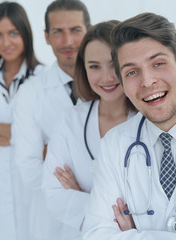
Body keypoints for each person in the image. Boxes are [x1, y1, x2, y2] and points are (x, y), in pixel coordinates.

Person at [82, 12, 176, 240]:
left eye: (158, 63)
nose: (147, 81)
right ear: (123, 84)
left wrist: (137, 235)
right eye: (132, 72)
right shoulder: (114, 145)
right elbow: (95, 234)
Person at [42, 20, 136, 239]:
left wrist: (80, 195)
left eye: (114, 63)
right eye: (94, 66)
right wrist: (117, 213)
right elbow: (53, 195)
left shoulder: (148, 121)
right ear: (83, 70)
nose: (107, 76)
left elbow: (155, 204)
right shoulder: (69, 122)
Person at [13, 0, 91, 239]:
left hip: (109, 224)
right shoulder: (30, 93)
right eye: (58, 32)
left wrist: (57, 157)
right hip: (54, 226)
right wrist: (89, 187)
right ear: (46, 37)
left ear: (89, 31)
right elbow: (30, 171)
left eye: (75, 30)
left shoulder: (111, 85)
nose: (67, 41)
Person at [0, 2, 43, 240]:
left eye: (13, 33)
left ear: (25, 33)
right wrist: (23, 135)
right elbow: (29, 136)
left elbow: (43, 138)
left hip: (31, 190)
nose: (6, 43)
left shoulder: (43, 79)